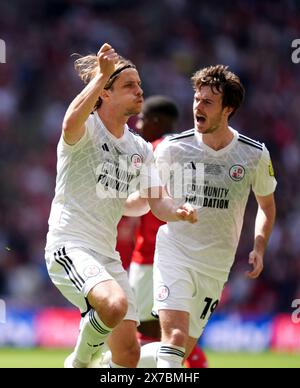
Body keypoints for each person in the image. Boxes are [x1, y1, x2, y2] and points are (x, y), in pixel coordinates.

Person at [44, 43, 197, 368]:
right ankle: (80, 362)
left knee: (128, 356)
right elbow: (69, 121)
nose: (139, 91)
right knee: (112, 306)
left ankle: (94, 363)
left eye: (140, 85)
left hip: (106, 255)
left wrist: (177, 212)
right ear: (106, 93)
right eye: (129, 85)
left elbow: (157, 203)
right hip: (68, 246)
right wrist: (100, 75)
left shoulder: (138, 147)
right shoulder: (85, 129)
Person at [146, 64, 277, 368]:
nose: (197, 107)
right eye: (196, 99)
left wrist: (259, 246)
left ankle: (113, 366)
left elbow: (267, 206)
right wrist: (173, 210)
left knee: (178, 351)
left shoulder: (254, 154)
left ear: (228, 109)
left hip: (216, 266)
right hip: (175, 252)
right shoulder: (173, 149)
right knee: (175, 339)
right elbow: (153, 199)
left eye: (207, 102)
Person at [126, 95, 208, 368]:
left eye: (142, 119)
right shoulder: (187, 148)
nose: (138, 125)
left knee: (150, 331)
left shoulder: (156, 150)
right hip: (186, 251)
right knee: (172, 332)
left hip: (152, 254)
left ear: (156, 121)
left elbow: (144, 200)